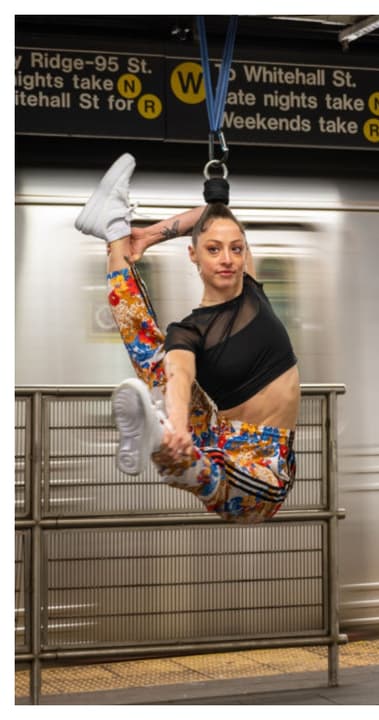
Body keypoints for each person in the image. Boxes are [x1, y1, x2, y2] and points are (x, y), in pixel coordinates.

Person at [76, 153, 300, 523]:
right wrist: (178, 426)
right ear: (193, 254)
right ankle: (167, 443)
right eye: (213, 250)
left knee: (151, 356)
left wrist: (145, 236)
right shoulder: (190, 332)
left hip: (254, 455)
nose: (228, 258)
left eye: (236, 249)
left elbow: (210, 217)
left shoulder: (251, 290)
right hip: (247, 473)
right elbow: (179, 378)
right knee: (157, 363)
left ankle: (114, 229)